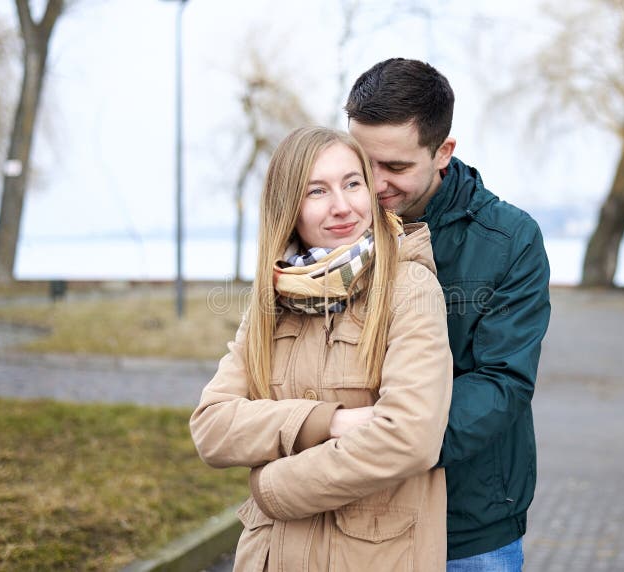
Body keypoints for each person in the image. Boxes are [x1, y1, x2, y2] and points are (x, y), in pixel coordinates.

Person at [190, 126, 453, 571]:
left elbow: (410, 437)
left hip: (374, 557)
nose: (342, 206)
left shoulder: (408, 286)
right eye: (317, 191)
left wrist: (275, 485)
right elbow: (212, 426)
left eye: (353, 184)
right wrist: (329, 421)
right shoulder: (270, 298)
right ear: (289, 207)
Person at [345, 58, 551, 571]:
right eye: (362, 162)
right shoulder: (337, 223)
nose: (372, 184)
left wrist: (391, 443)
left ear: (443, 152)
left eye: (394, 167)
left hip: (469, 521)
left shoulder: (510, 241)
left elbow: (502, 382)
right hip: (350, 506)